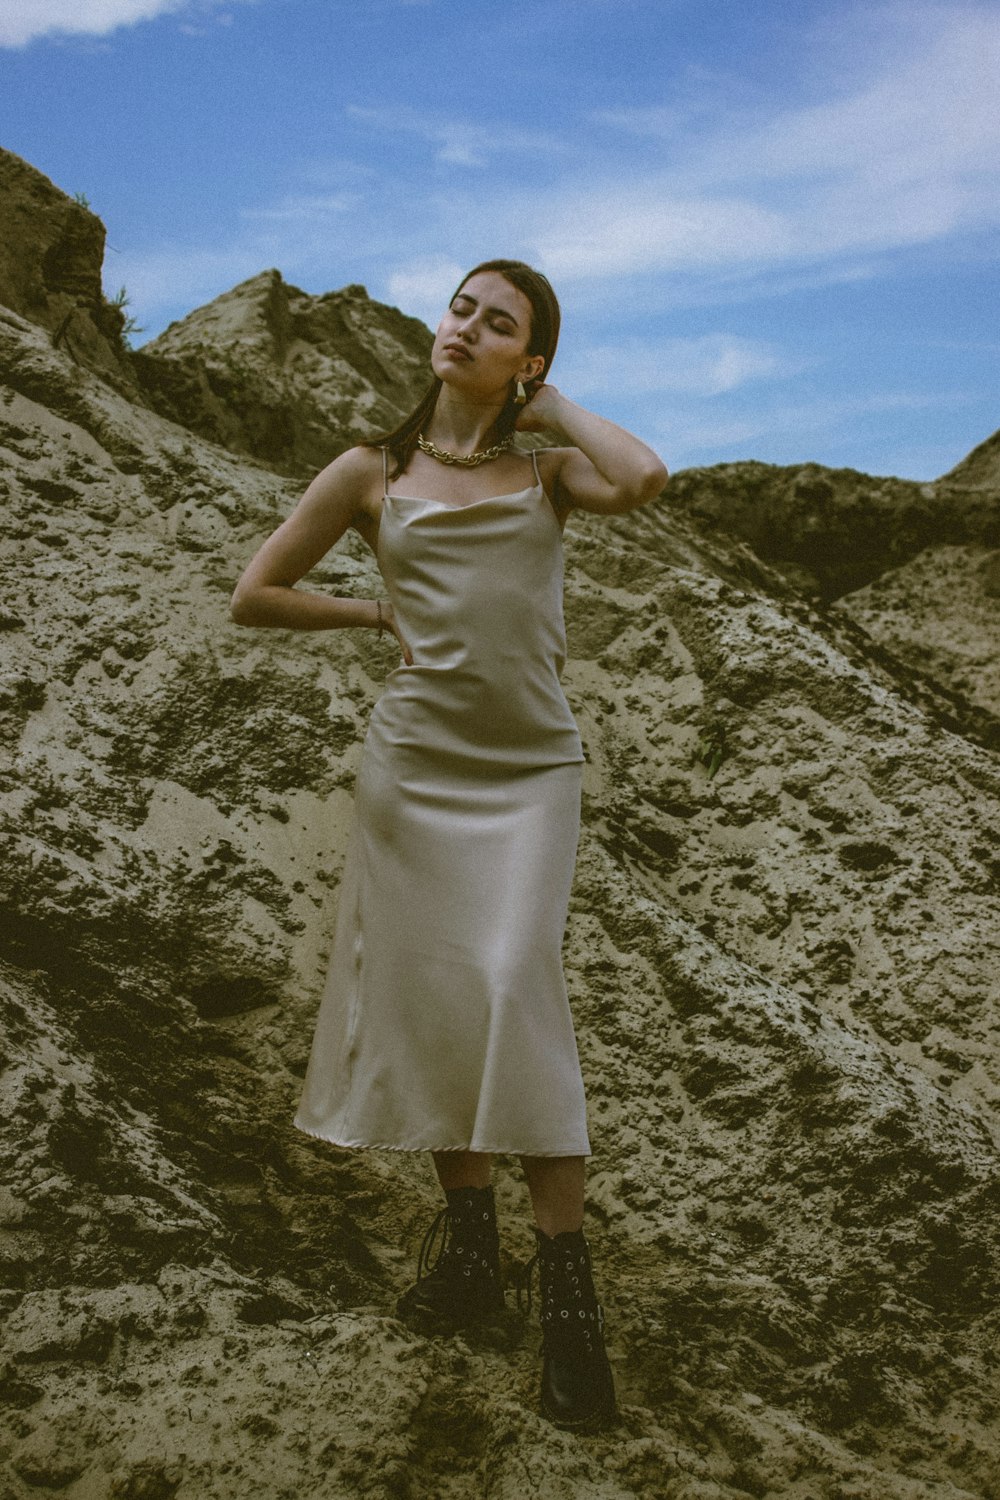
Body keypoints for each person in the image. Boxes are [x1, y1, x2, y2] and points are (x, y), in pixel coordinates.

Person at [230, 259, 668, 1430]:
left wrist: (554, 402)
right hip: (413, 773)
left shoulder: (550, 472)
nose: (463, 327)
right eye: (459, 307)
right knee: (436, 1009)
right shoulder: (370, 473)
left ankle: (567, 1308)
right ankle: (472, 1264)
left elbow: (647, 476)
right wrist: (372, 612)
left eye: (498, 322)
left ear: (528, 355)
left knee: (512, 987)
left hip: (531, 774)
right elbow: (255, 592)